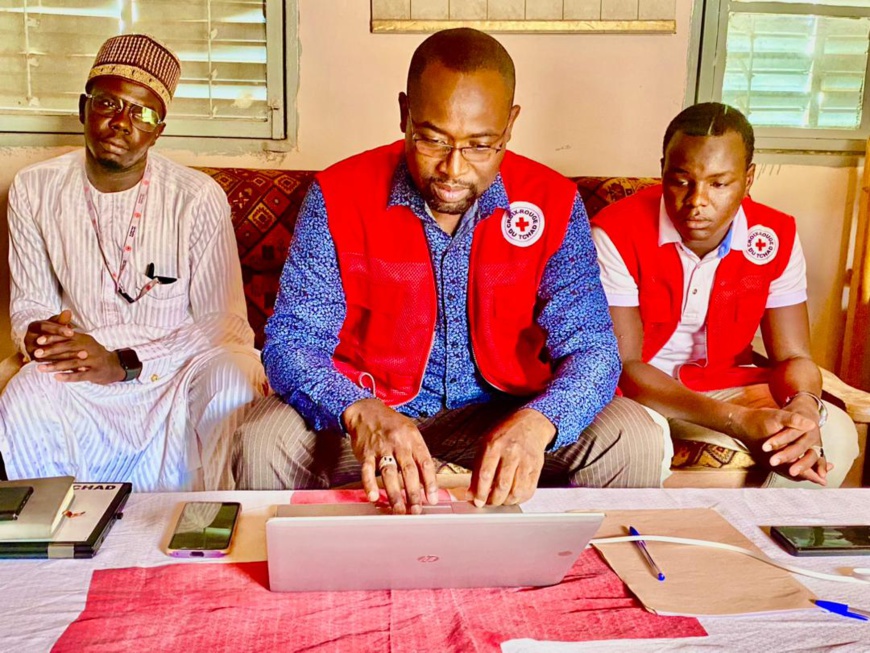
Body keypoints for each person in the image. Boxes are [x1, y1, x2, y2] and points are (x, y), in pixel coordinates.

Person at [232, 28, 670, 512]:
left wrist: (539, 421)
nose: (454, 169)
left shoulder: (553, 203)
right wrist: (359, 412)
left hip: (503, 415)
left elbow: (593, 349)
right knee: (262, 437)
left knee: (632, 437)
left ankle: (589, 584)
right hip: (370, 411)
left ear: (511, 124)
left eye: (481, 145)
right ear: (405, 115)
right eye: (433, 140)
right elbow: (292, 342)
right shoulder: (338, 195)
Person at [0, 34, 265, 491]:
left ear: (159, 131)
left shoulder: (196, 198)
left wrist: (124, 363)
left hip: (179, 366)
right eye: (108, 103)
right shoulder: (33, 188)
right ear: (84, 108)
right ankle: (56, 542)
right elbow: (28, 304)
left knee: (233, 379)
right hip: (83, 365)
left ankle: (209, 525)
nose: (121, 123)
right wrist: (39, 334)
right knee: (25, 394)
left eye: (143, 113)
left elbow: (224, 326)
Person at [592, 102, 859, 488]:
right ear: (663, 171)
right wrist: (737, 421)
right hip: (641, 393)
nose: (697, 201)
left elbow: (793, 355)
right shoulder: (615, 232)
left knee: (833, 435)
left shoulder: (774, 235)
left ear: (748, 179)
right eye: (681, 181)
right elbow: (627, 366)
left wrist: (804, 404)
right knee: (641, 441)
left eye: (719, 184)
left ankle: (764, 543)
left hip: (728, 381)